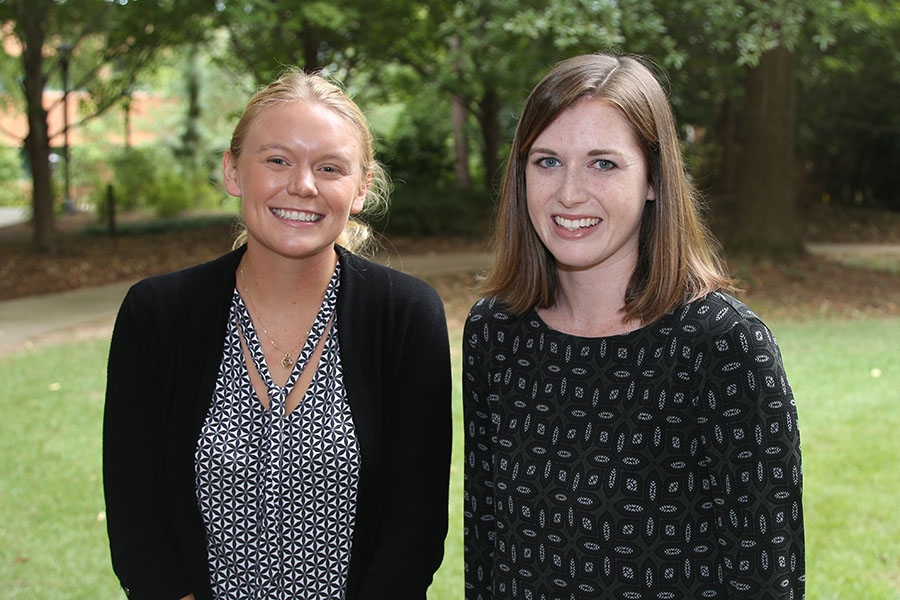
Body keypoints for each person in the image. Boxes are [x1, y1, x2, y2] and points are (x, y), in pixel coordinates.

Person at [463, 53, 804, 599]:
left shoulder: (722, 345)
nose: (569, 193)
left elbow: (766, 578)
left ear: (652, 179)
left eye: (603, 163)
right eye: (547, 161)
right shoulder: (497, 334)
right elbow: (486, 546)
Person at [103, 69, 452, 600]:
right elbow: (136, 514)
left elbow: (415, 524)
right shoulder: (158, 315)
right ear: (233, 171)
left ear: (360, 189)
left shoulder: (405, 316)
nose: (302, 185)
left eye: (329, 167)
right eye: (277, 160)